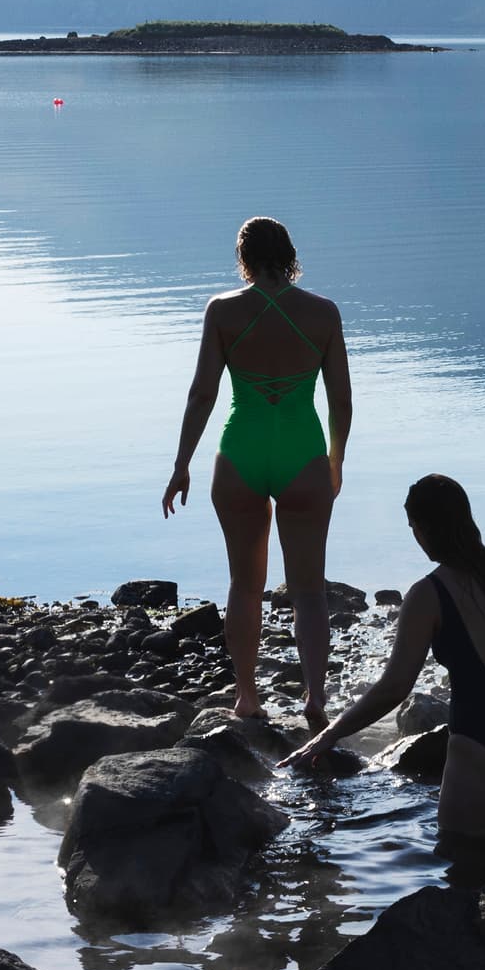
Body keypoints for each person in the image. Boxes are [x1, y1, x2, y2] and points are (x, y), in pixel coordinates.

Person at [288, 474, 485, 840]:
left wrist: (328, 735)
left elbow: (394, 688)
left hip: (484, 749)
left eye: (413, 529)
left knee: (464, 864)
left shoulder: (429, 593)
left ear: (422, 529)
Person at [162, 217, 350, 728]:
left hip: (240, 453)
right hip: (303, 453)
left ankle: (247, 697)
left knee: (245, 586)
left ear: (243, 259)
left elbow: (202, 394)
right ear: (290, 256)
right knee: (309, 590)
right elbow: (340, 400)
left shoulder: (222, 311)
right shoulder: (323, 313)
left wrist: (181, 464)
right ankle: (315, 698)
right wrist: (335, 460)